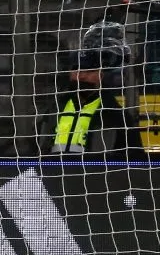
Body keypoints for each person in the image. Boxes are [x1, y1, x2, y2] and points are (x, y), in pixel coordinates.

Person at [48, 21, 143, 158]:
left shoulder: (116, 116)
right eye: (76, 69)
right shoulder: (55, 108)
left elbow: (134, 159)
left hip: (96, 177)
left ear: (101, 74)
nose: (81, 75)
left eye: (89, 70)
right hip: (51, 176)